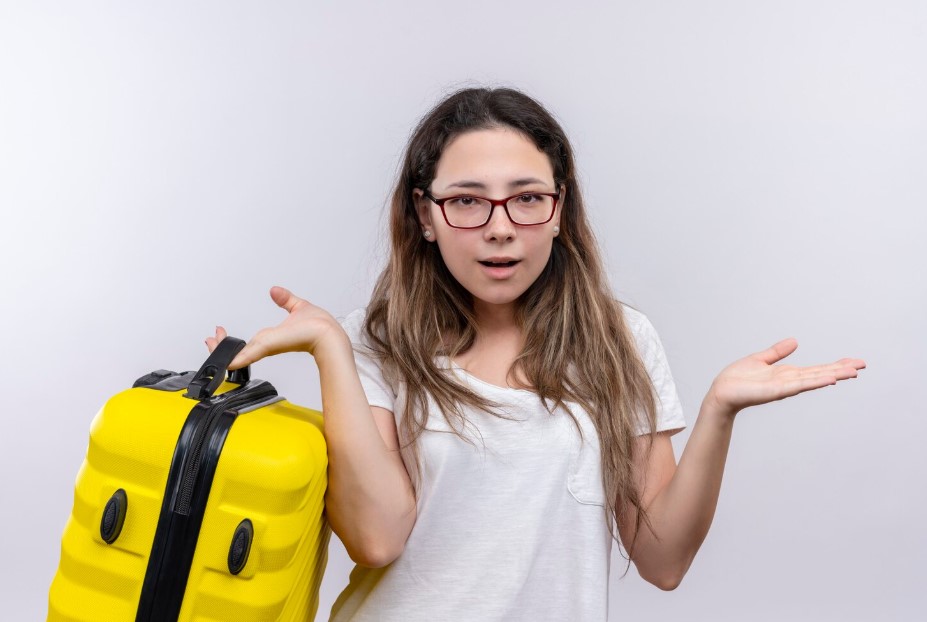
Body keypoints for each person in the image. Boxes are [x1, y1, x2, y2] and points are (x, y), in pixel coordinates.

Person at [205, 87, 865, 621]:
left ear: (558, 210)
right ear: (425, 215)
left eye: (526, 198)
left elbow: (662, 562)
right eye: (467, 201)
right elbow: (376, 538)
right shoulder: (373, 342)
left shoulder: (620, 341)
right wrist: (329, 349)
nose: (499, 228)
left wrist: (718, 411)